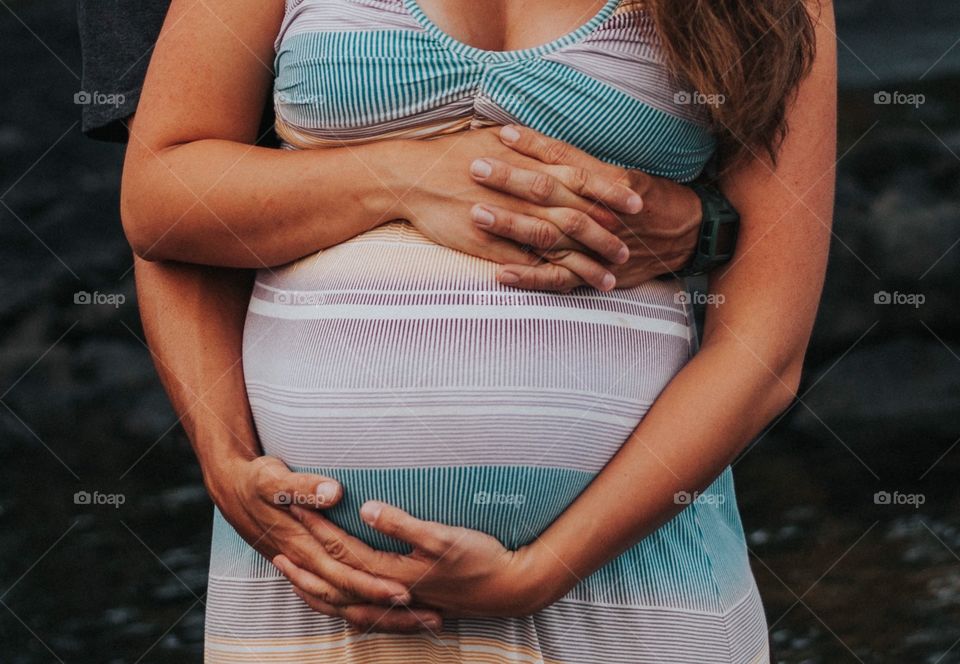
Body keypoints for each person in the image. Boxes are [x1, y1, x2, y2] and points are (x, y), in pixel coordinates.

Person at [82, 0, 834, 660]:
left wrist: (544, 572)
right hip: (318, 575)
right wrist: (402, 176)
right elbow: (162, 202)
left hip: (632, 579)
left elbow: (765, 342)